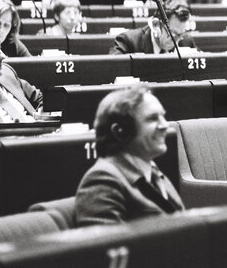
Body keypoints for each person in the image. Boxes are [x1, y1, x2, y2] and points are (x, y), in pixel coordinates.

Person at [75, 86, 184, 226]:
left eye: (163, 116)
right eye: (152, 119)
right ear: (121, 131)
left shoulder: (153, 173)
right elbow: (105, 245)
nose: (165, 126)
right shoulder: (102, 180)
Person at [0, 29, 42, 131]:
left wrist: (42, 113)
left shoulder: (6, 72)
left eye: (0, 48)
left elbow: (39, 97)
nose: (3, 56)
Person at [109, 0, 197, 54]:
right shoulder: (129, 41)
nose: (176, 42)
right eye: (173, 34)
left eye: (181, 35)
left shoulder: (186, 41)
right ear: (156, 25)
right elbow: (111, 69)